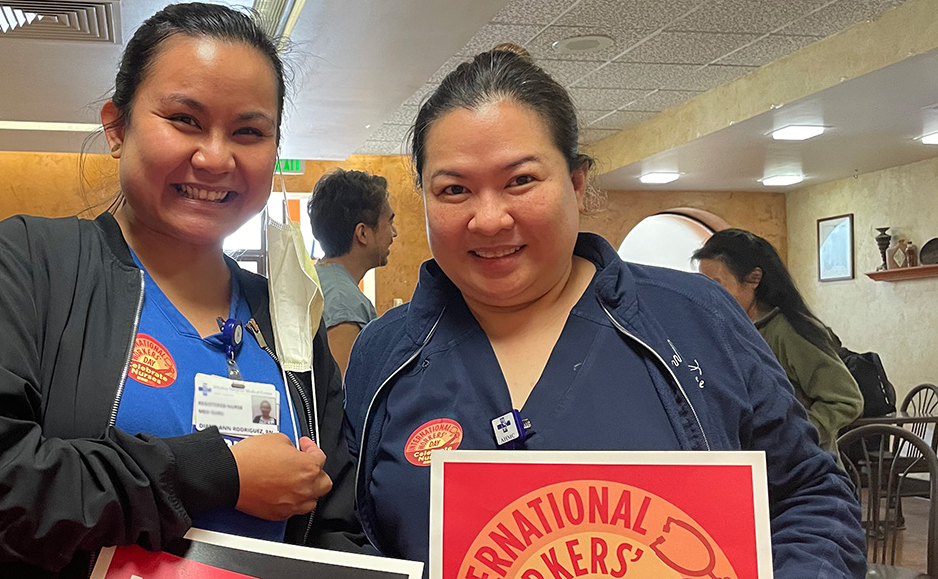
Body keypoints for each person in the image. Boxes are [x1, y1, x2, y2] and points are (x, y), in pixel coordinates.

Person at [342, 44, 865, 577]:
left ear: (575, 182)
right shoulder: (383, 354)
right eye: (454, 189)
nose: (490, 219)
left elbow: (811, 498)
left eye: (520, 180)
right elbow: (353, 534)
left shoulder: (695, 319)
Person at [0, 3, 362, 579]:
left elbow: (336, 518)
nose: (216, 157)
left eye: (249, 131)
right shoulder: (22, 267)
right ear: (117, 127)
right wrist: (215, 473)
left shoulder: (287, 319)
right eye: (185, 120)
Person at [694, 229, 863, 455]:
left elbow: (846, 400)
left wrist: (793, 437)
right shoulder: (721, 330)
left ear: (754, 279)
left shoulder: (788, 331)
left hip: (800, 472)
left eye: (717, 285)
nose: (708, 296)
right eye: (702, 285)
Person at [307, 169, 396, 373]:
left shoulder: (320, 280)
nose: (394, 233)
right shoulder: (343, 304)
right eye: (389, 222)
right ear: (363, 233)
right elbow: (341, 398)